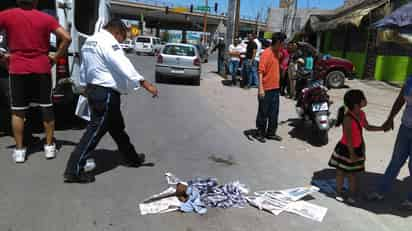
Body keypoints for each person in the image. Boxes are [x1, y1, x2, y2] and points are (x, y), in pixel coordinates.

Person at [63, 19, 158, 183]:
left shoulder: (89, 42)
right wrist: (145, 83)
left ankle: (132, 158)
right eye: (122, 38)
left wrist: (85, 86)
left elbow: (85, 67)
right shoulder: (108, 42)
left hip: (95, 89)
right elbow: (123, 63)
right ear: (117, 32)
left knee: (117, 129)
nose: (121, 42)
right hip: (105, 94)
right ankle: (73, 170)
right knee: (94, 131)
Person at [0, 0, 72, 163]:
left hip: (17, 68)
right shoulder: (46, 18)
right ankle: (49, 147)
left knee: (18, 111)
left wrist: (1, 56)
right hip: (41, 68)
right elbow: (66, 38)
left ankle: (19, 151)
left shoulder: (7, 15)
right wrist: (56, 56)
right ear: (36, 2)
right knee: (46, 108)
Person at [329, 90, 384, 203]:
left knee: (352, 174)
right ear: (356, 104)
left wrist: (382, 128)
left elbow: (367, 127)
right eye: (363, 98)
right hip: (346, 150)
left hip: (356, 148)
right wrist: (352, 154)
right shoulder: (347, 118)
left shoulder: (361, 114)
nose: (366, 100)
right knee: (342, 172)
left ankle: (351, 195)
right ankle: (339, 192)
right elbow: (348, 139)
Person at [367, 75, 412, 210]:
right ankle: (380, 192)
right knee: (396, 161)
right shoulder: (410, 80)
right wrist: (390, 118)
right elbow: (400, 100)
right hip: (405, 127)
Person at [255, 32, 286, 143]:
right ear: (278, 42)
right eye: (283, 43)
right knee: (263, 112)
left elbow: (284, 58)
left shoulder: (278, 53)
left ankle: (271, 133)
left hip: (275, 88)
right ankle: (260, 133)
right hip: (266, 89)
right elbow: (260, 72)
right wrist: (261, 88)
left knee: (274, 112)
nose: (284, 45)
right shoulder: (266, 54)